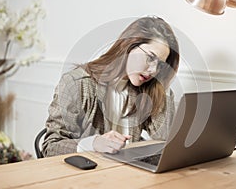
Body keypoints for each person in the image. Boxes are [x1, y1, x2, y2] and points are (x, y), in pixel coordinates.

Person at [42, 16, 180, 157]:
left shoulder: (146, 89)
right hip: (89, 174)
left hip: (129, 172)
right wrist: (93, 143)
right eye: (151, 58)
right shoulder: (77, 83)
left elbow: (166, 140)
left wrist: (163, 82)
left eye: (161, 65)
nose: (154, 70)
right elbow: (51, 146)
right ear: (129, 46)